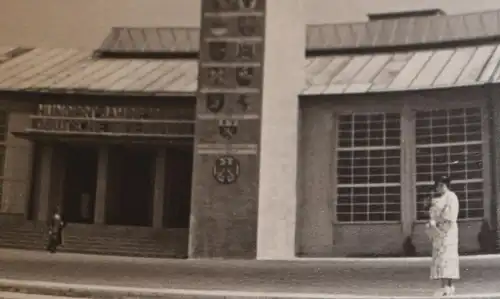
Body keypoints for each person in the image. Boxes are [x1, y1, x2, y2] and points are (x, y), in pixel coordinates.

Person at [425, 176, 460, 296]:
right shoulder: (439, 198)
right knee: (440, 259)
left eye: (441, 185)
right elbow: (433, 211)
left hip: (447, 231)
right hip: (439, 232)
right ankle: (446, 286)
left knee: (447, 258)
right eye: (438, 185)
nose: (439, 188)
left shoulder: (451, 197)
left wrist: (437, 219)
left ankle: (446, 286)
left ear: (446, 185)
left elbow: (450, 215)